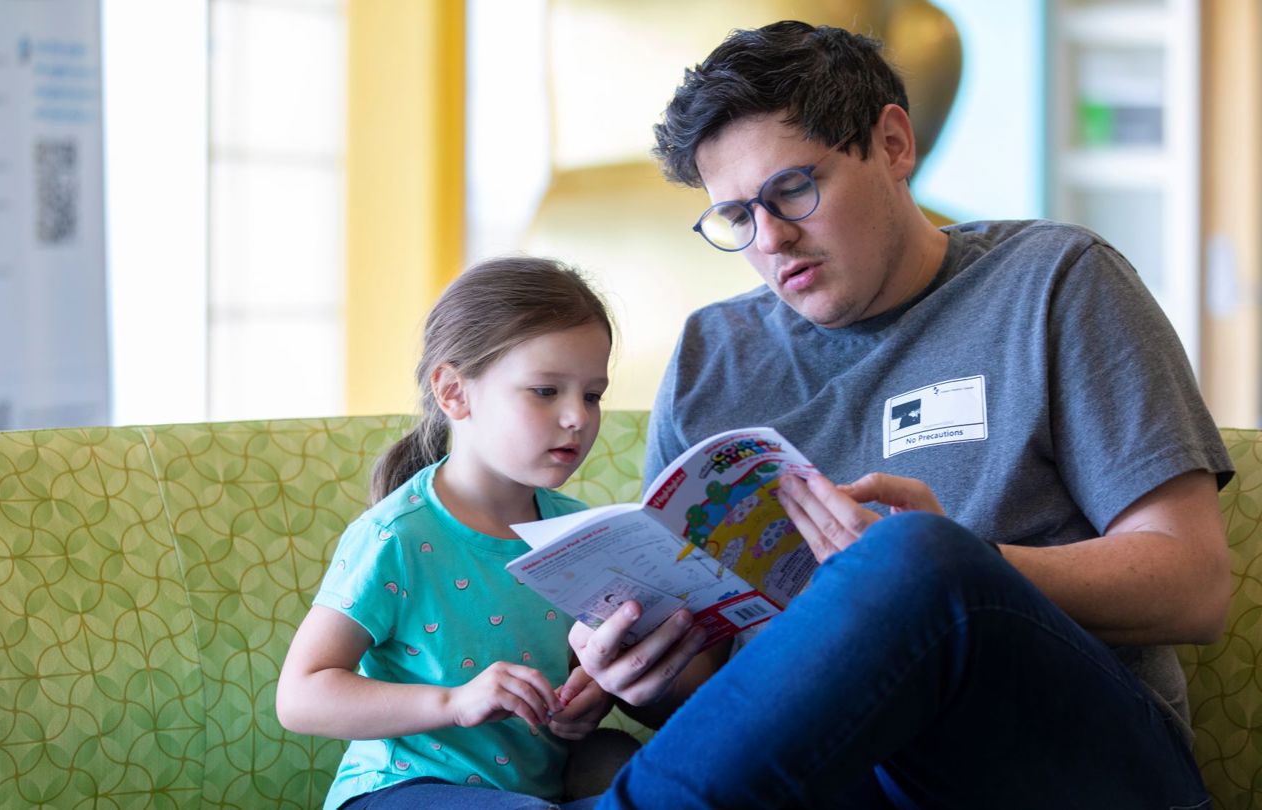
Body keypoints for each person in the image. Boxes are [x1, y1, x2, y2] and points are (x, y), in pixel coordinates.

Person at [565, 20, 1235, 809]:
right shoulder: (713, 356)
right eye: (738, 218)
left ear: (891, 144)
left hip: (1071, 764)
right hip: (843, 780)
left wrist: (952, 564)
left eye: (792, 190)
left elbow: (1195, 584)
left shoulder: (1056, 281)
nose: (773, 239)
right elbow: (717, 691)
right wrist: (642, 673)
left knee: (916, 557)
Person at [276, 256, 623, 810]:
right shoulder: (399, 536)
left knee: (632, 763)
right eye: (545, 390)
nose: (577, 417)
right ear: (454, 393)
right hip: (402, 789)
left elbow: (580, 669)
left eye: (592, 394)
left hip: (535, 791)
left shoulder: (574, 532)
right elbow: (300, 696)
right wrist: (454, 702)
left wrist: (593, 693)